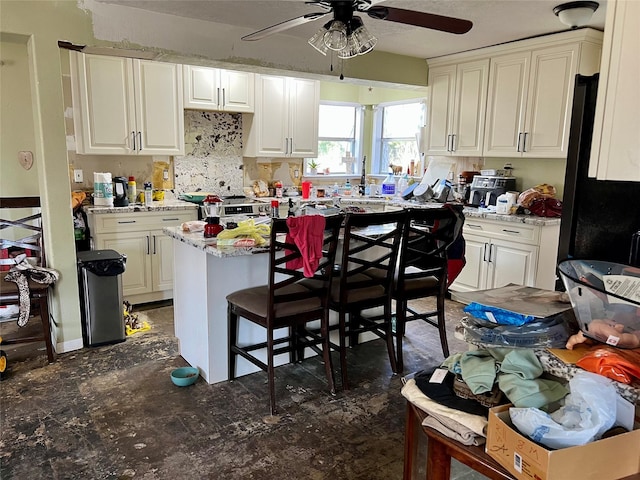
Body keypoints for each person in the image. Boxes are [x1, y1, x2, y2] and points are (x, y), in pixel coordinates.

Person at [566, 319, 640, 349]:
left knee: (619, 337)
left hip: (595, 326)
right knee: (619, 338)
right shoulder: (592, 329)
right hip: (595, 326)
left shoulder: (589, 330)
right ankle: (635, 340)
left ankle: (634, 340)